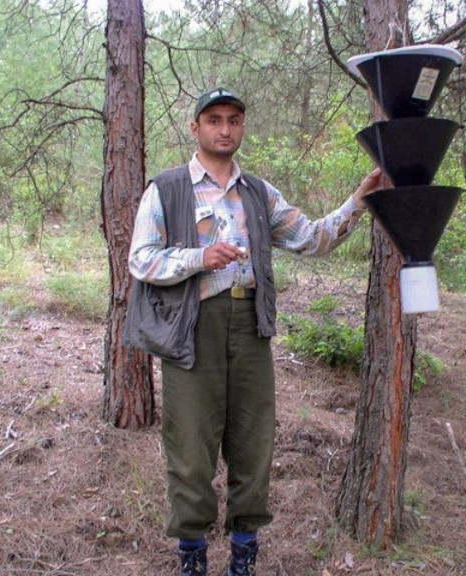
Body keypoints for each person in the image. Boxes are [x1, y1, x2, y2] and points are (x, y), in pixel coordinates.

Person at [127, 86, 382, 576]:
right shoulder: (167, 187)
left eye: (234, 119)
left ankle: (243, 556)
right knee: (190, 452)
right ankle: (193, 558)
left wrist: (359, 200)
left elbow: (312, 238)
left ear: (242, 126)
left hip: (251, 327)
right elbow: (141, 260)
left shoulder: (259, 193)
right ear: (196, 127)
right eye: (215, 119)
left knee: (253, 444)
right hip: (191, 330)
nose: (225, 129)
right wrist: (201, 258)